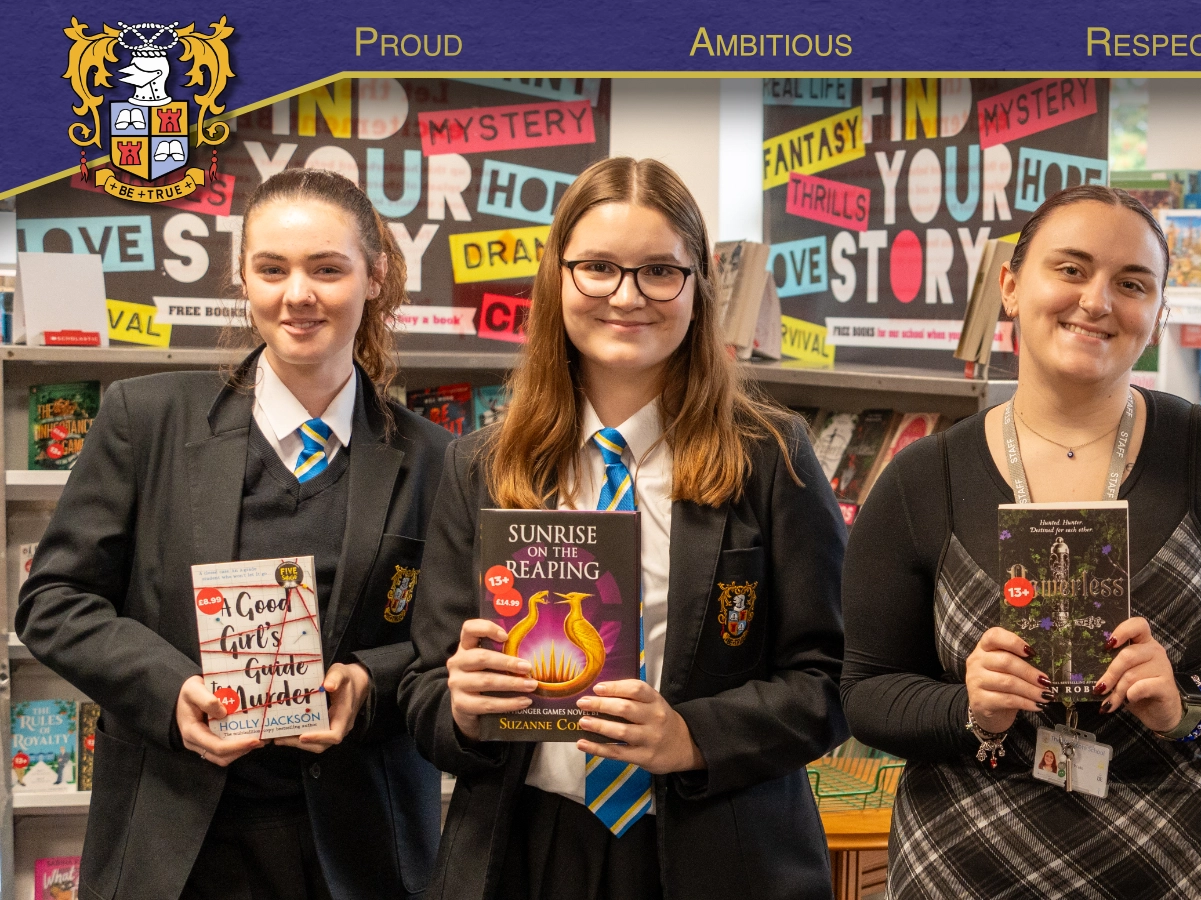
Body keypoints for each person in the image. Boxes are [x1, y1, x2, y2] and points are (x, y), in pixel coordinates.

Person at [840, 184, 1201, 898]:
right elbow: (865, 689)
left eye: (1132, 284)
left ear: (1157, 314)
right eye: (1070, 269)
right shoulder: (921, 480)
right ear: (1011, 287)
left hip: (1175, 862)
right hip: (965, 863)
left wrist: (1187, 703)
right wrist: (966, 707)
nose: (1096, 301)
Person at [397, 156, 846, 900]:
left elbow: (831, 678)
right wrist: (463, 710)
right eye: (598, 268)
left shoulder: (772, 456)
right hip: (527, 849)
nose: (627, 296)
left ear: (698, 284)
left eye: (659, 271)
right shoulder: (480, 464)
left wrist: (693, 736)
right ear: (558, 279)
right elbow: (424, 687)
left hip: (716, 850)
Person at [15, 167, 448, 900]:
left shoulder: (437, 457)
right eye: (272, 269)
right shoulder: (145, 419)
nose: (297, 294)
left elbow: (451, 636)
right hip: (176, 843)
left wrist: (368, 685)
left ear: (374, 277)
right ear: (242, 278)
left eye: (327, 269)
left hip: (361, 846)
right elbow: (53, 601)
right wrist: (171, 690)